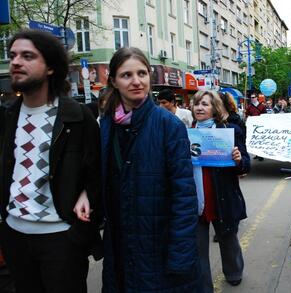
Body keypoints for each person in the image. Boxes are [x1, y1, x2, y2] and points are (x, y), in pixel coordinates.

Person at [0, 29, 102, 293]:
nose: (16, 62)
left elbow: (98, 174)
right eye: (12, 56)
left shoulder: (77, 117)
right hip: (14, 236)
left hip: (61, 240)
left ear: (50, 68)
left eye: (27, 56)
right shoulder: (7, 116)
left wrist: (86, 198)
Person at [99, 47, 200, 292]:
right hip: (119, 246)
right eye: (126, 75)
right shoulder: (106, 124)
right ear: (113, 81)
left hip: (157, 246)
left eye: (142, 73)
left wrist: (181, 254)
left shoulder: (169, 126)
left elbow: (184, 197)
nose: (136, 81)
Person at [191, 90, 250, 292]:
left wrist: (238, 159)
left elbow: (245, 164)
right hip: (195, 199)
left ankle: (234, 272)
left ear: (215, 108)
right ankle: (203, 285)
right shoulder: (186, 132)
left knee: (228, 239)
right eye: (196, 103)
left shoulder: (228, 131)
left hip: (221, 197)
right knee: (197, 248)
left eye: (205, 104)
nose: (199, 107)